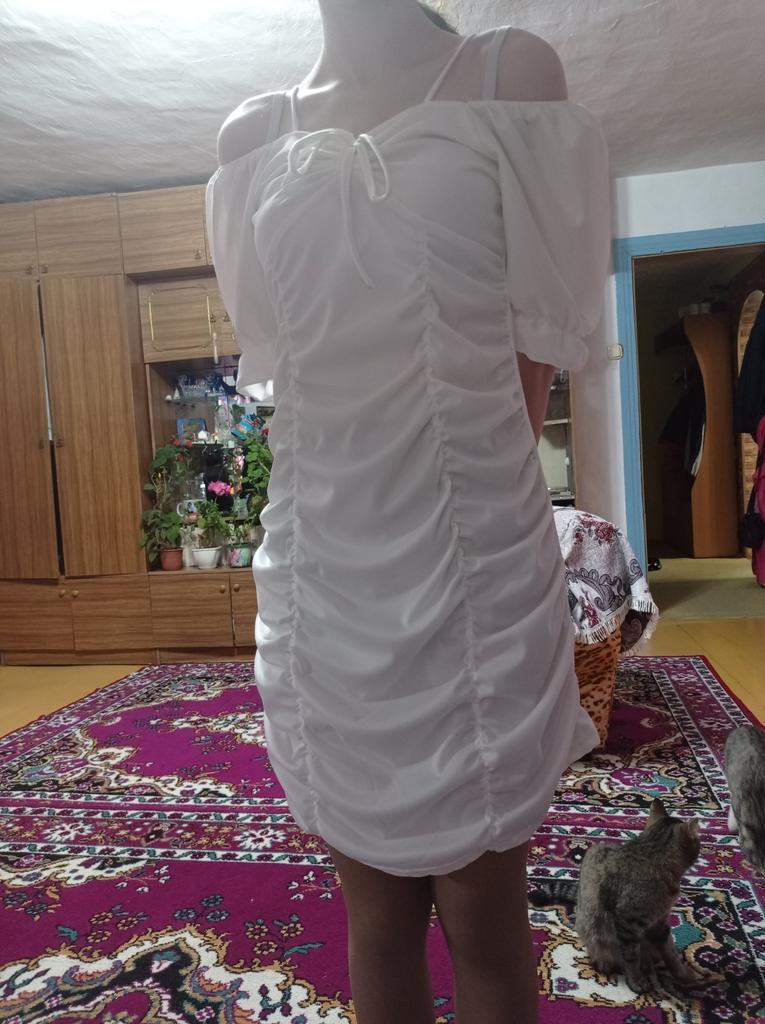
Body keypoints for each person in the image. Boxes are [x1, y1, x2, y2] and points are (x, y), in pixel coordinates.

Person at [206, 2, 610, 1021]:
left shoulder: (510, 77)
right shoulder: (251, 138)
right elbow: (290, 371)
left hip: (471, 567)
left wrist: (466, 499)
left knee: (485, 922)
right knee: (375, 919)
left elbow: (531, 363)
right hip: (323, 576)